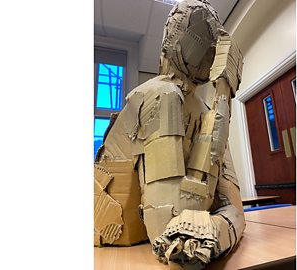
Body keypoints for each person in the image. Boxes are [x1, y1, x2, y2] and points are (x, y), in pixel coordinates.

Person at [95, 0, 245, 268]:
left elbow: (231, 212)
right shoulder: (159, 95)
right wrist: (223, 97)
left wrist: (223, 100)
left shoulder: (207, 111)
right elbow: (173, 239)